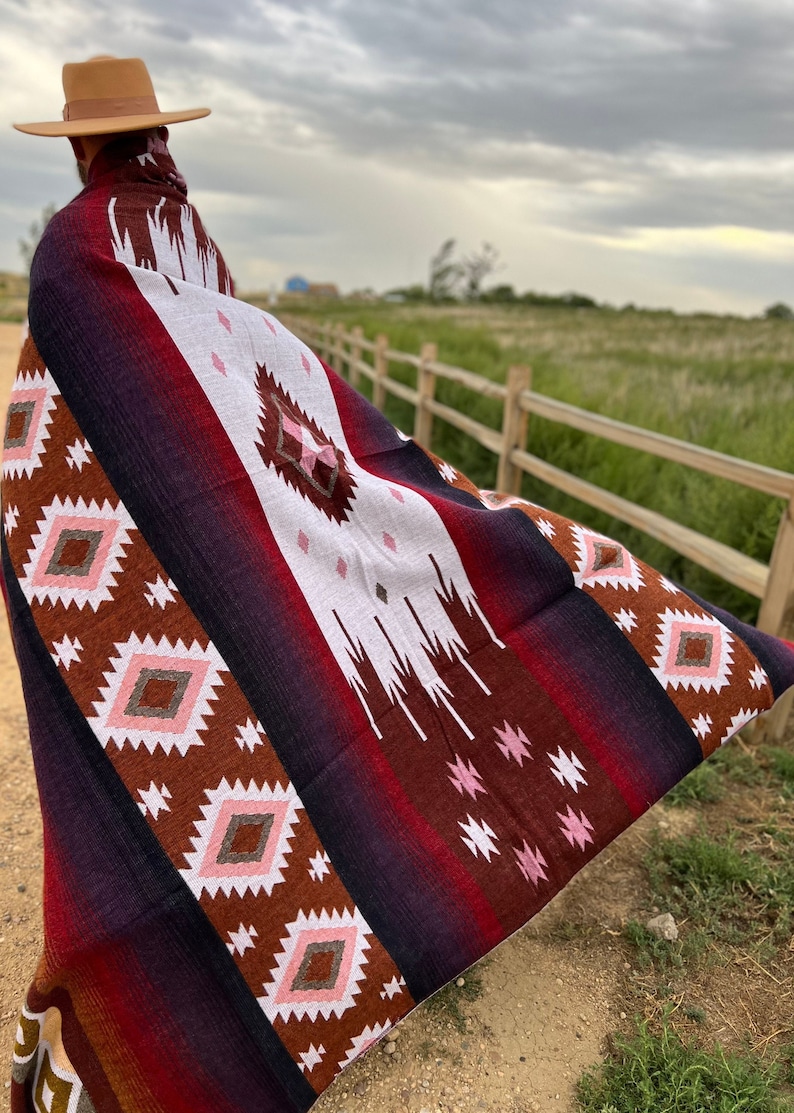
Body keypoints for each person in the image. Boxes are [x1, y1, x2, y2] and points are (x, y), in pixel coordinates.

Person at [5, 56, 794, 1113]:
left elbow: (77, 423)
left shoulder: (75, 251)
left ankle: (182, 1010)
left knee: (181, 765)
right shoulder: (181, 232)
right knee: (305, 681)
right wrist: (320, 482)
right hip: (243, 503)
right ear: (154, 136)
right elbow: (220, 383)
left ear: (74, 143)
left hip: (189, 526)